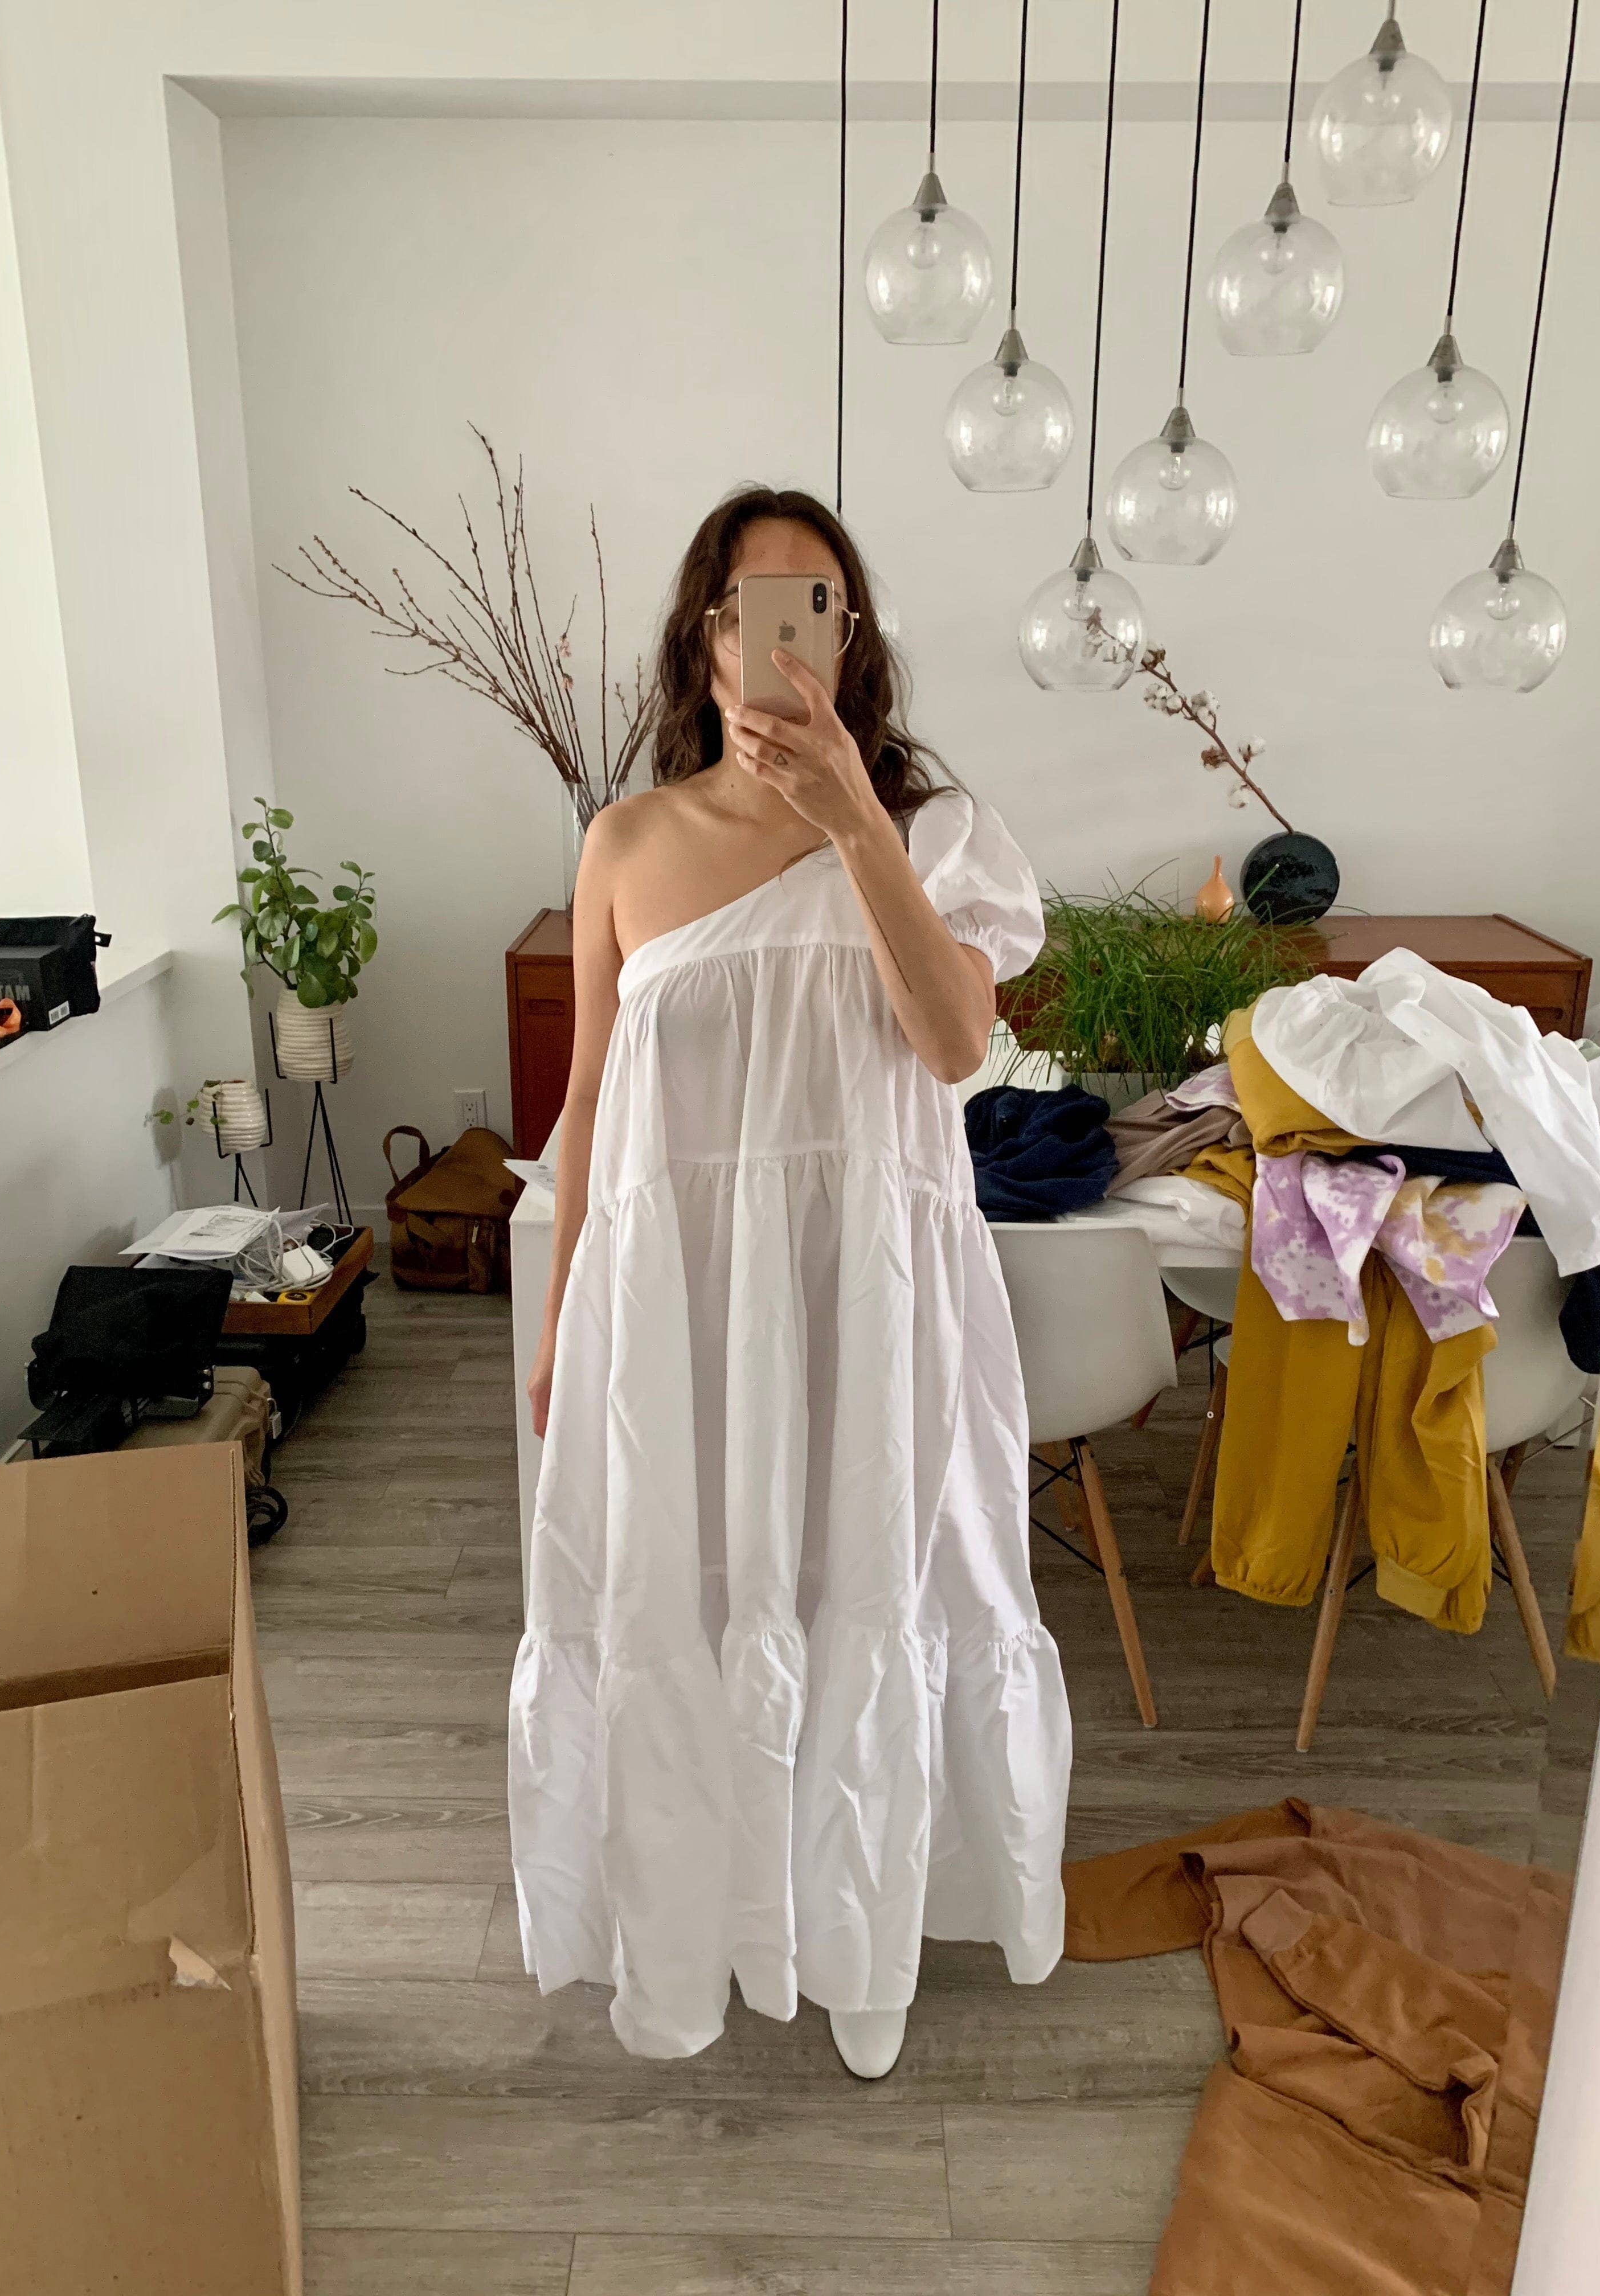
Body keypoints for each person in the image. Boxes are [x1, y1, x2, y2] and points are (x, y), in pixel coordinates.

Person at [509, 484, 1071, 2077]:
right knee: (696, 1592)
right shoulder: (626, 846)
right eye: (752, 608)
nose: (782, 640)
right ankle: (711, 1930)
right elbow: (592, 1098)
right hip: (684, 1304)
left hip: (868, 1290)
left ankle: (859, 1936)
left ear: (851, 640)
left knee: (867, 1584)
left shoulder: (937, 836)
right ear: (705, 640)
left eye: (816, 606)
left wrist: (854, 824)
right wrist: (561, 1319)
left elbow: (952, 1045)